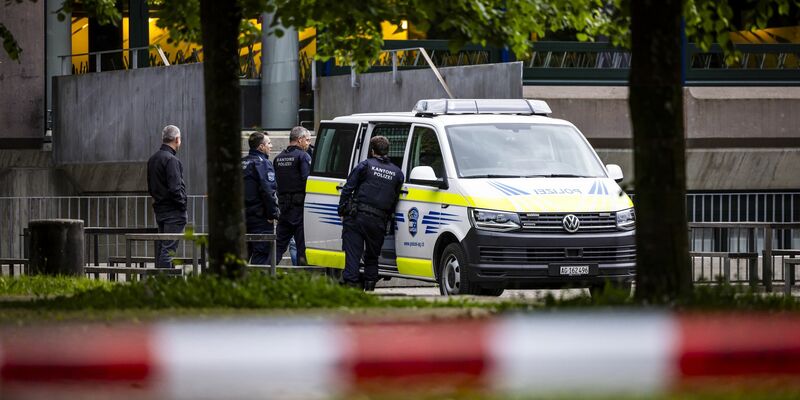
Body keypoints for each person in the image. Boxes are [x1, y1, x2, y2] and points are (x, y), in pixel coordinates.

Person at [338, 136, 404, 291]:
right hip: (379, 221)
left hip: (357, 217)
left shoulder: (365, 166)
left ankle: (351, 287)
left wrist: (341, 209)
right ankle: (370, 287)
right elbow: (395, 198)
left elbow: (348, 188)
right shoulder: (397, 173)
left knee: (353, 254)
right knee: (373, 256)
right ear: (388, 151)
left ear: (372, 151)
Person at [147, 124, 187, 268]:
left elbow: (151, 188)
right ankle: (165, 284)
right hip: (174, 212)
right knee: (168, 251)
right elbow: (175, 189)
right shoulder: (171, 160)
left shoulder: (153, 159)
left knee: (162, 250)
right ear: (177, 139)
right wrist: (182, 205)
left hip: (160, 211)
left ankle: (159, 283)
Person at [274, 126, 312, 265]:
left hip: (284, 209)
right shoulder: (303, 156)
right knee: (302, 248)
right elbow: (307, 182)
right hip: (300, 209)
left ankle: (264, 274)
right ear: (300, 139)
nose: (308, 143)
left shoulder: (278, 158)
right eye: (307, 140)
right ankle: (304, 280)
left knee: (278, 247)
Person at [242, 131, 280, 265]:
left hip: (243, 218)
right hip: (260, 219)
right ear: (261, 147)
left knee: (242, 258)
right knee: (261, 259)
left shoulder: (242, 163)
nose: (271, 145)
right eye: (268, 143)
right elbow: (268, 192)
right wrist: (273, 214)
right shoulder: (263, 163)